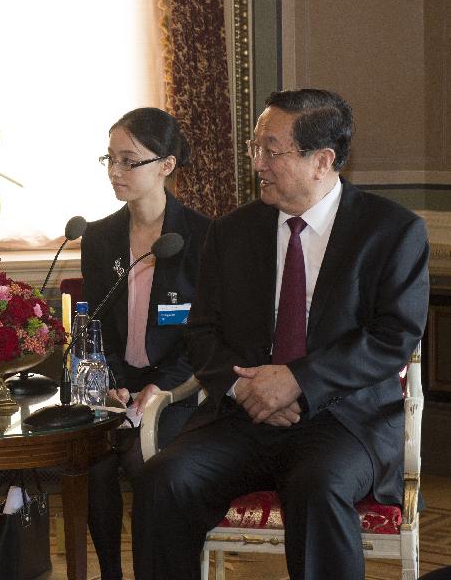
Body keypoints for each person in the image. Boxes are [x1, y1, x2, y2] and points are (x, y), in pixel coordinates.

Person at [131, 89, 429, 580]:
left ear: (323, 160)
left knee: (319, 486)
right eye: (255, 147)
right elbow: (202, 331)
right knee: (164, 479)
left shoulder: (390, 231)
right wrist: (244, 386)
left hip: (343, 419)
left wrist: (298, 381)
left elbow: (392, 336)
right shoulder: (232, 232)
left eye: (272, 150)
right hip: (240, 416)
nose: (258, 163)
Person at [80, 107, 210, 580]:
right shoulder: (99, 238)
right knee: (91, 462)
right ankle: (110, 573)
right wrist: (112, 384)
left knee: (144, 463)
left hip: (180, 384)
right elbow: (95, 325)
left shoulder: (203, 236)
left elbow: (205, 336)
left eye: (128, 161)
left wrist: (162, 389)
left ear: (166, 165)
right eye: (109, 159)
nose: (115, 172)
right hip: (118, 383)